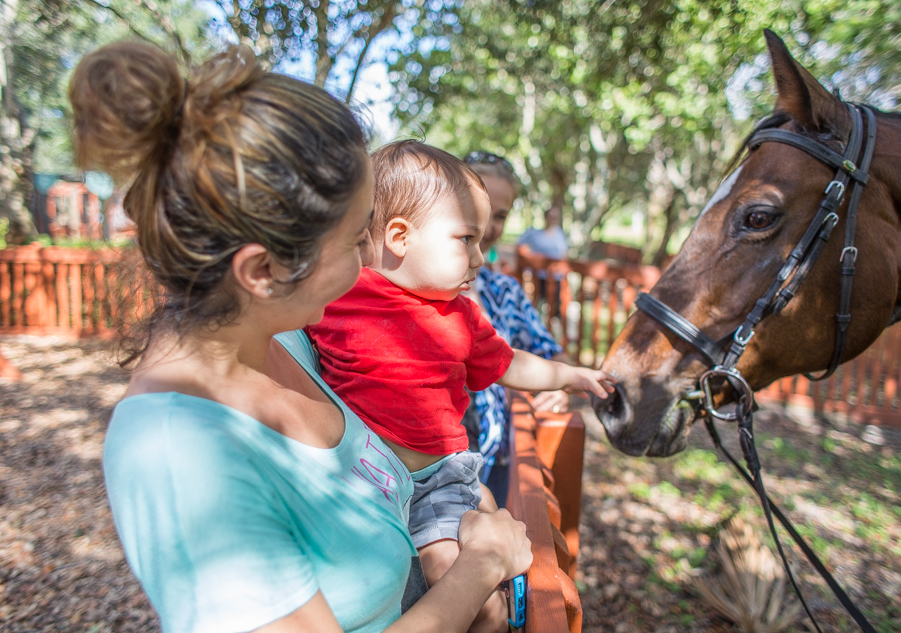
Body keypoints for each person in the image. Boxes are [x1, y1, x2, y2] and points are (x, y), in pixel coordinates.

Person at [72, 43, 532, 633]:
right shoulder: (179, 455)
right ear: (263, 271)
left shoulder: (284, 343)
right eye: (352, 244)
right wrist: (480, 570)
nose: (369, 267)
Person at [307, 141, 614, 627]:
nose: (480, 255)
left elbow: (512, 364)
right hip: (363, 480)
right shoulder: (335, 296)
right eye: (465, 239)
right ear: (400, 236)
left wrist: (571, 375)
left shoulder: (462, 316)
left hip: (436, 483)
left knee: (467, 593)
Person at [462, 151, 572, 506]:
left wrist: (562, 383)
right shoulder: (413, 289)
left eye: (499, 215)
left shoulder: (504, 291)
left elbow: (551, 351)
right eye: (477, 209)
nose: (486, 226)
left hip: (492, 462)